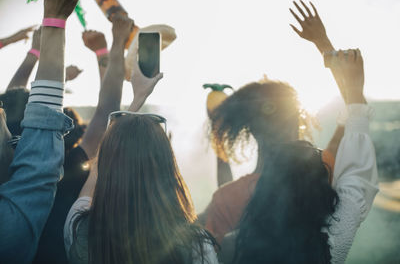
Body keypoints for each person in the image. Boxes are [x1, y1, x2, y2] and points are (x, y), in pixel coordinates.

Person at [64, 38, 218, 264]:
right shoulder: (197, 245)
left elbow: (97, 170)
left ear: (108, 162)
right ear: (167, 164)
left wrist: (136, 99)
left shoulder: (79, 228)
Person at [224, 49, 378, 264]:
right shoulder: (333, 243)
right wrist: (354, 90)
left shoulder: (233, 245)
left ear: (264, 187)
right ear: (322, 189)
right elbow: (357, 175)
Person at [33, 15, 133, 264]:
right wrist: (114, 43)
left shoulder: (16, 173)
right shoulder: (65, 171)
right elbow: (107, 110)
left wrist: (35, 53)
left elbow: (15, 103)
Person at [0, 0, 79, 262]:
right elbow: (41, 129)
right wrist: (54, 22)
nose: (18, 141)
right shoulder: (7, 231)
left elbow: (19, 98)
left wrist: (37, 48)